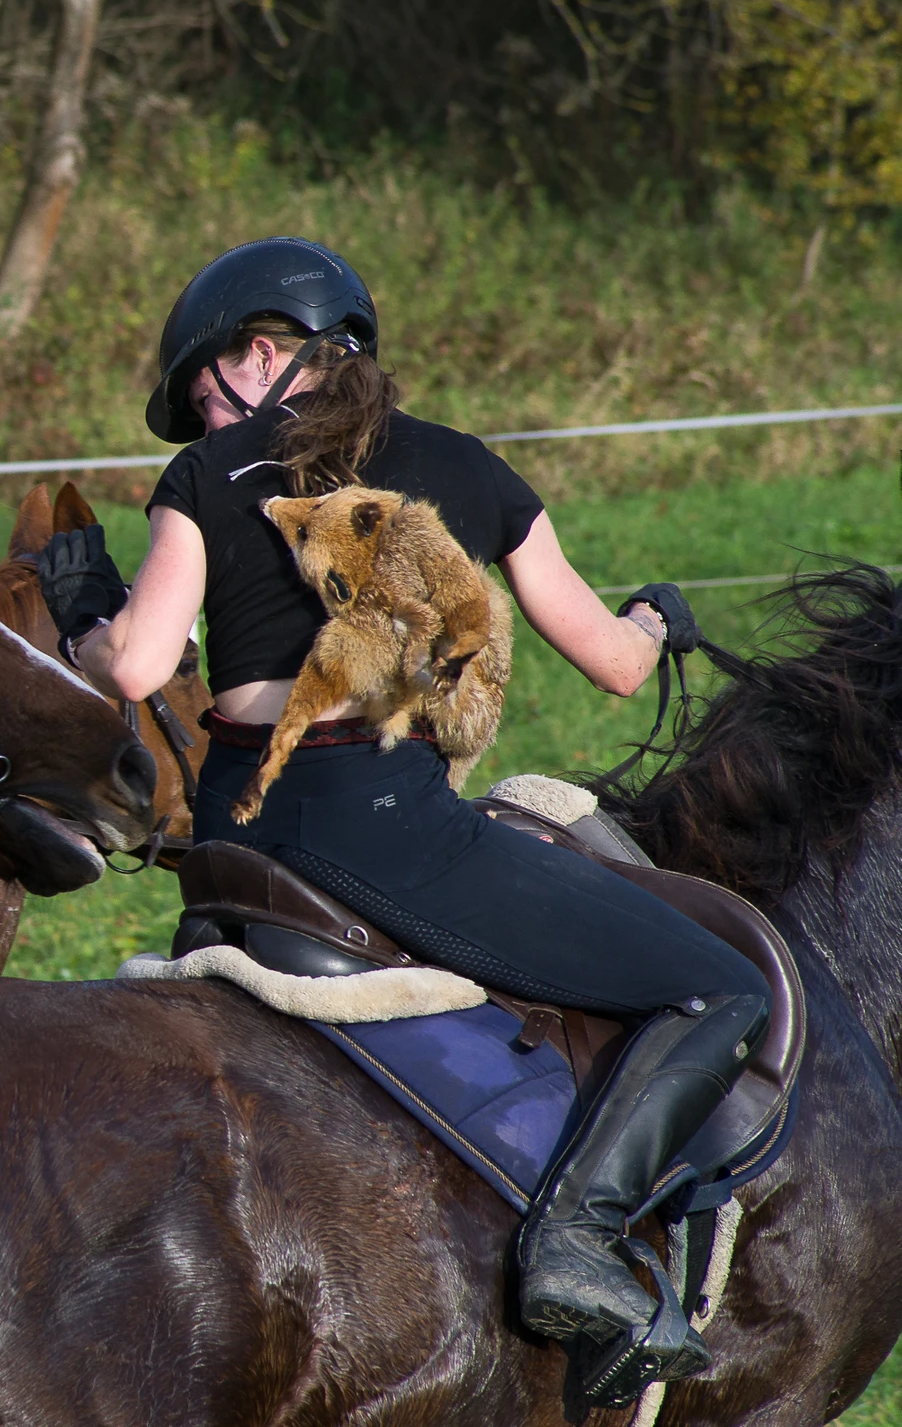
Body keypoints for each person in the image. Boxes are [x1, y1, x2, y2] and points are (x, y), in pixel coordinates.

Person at [38, 238, 769, 1400]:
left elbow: (132, 664)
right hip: (379, 822)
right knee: (722, 988)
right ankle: (577, 1243)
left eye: (206, 391)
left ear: (267, 351)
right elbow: (618, 667)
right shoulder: (467, 471)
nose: (205, 419)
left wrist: (81, 603)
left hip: (233, 833)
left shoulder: (203, 481)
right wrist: (655, 614)